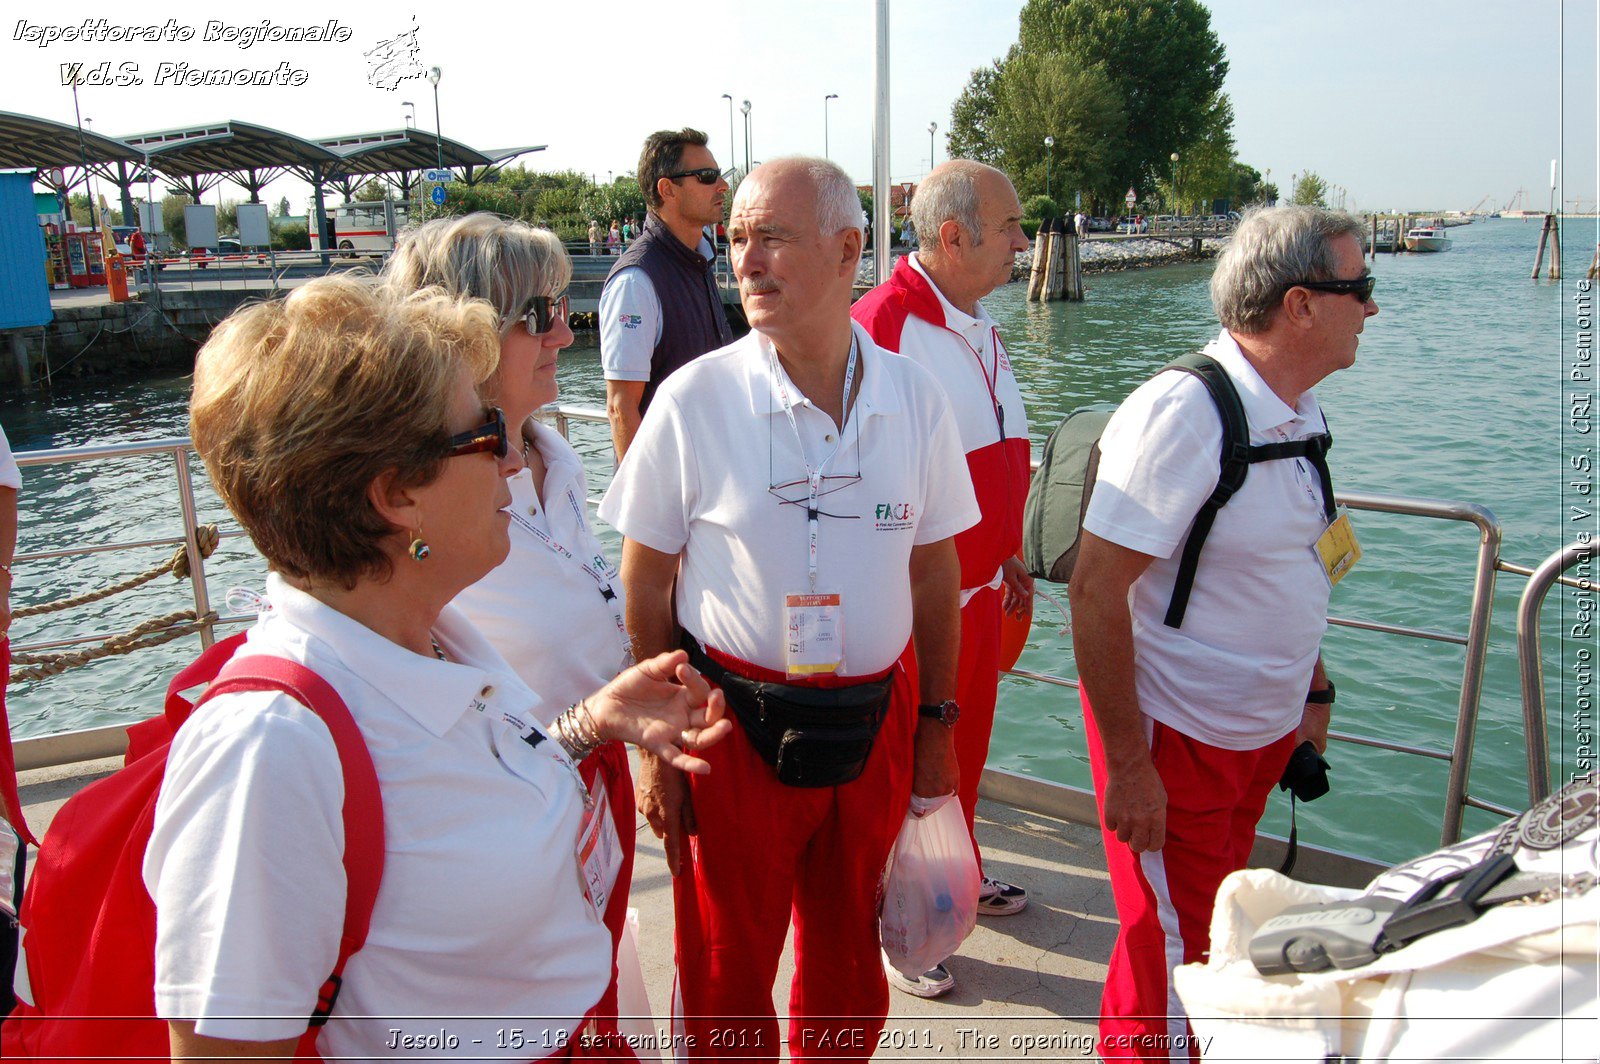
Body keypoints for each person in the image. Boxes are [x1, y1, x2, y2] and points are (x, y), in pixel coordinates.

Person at [148, 276, 730, 1058]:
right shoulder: (269, 750)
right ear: (397, 496)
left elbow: (436, 812)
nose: (512, 464)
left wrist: (590, 723)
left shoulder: (433, 641)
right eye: (487, 433)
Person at [599, 157, 978, 1059]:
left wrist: (936, 727)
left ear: (849, 249)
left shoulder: (915, 398)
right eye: (737, 238)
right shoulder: (695, 398)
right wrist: (656, 750)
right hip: (728, 729)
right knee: (728, 965)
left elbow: (935, 574)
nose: (746, 258)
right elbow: (644, 580)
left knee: (850, 962)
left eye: (772, 236)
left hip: (875, 722)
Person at [1069, 205, 1375, 1062]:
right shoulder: (1185, 414)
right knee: (1177, 959)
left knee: (1215, 933)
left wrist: (1310, 689)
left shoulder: (1297, 410)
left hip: (1257, 735)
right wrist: (1130, 767)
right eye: (1362, 288)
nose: (1374, 309)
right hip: (1178, 737)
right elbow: (1095, 594)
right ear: (1302, 304)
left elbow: (1298, 559)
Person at [381, 213, 640, 1032]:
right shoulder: (421, 509)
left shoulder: (555, 460)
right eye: (540, 315)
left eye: (566, 306)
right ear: (462, 329)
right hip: (508, 806)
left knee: (591, 987)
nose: (566, 331)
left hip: (595, 771)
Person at [851, 159, 1034, 998]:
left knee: (963, 752)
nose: (1023, 244)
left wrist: (1012, 555)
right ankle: (902, 928)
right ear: (953, 235)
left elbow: (996, 453)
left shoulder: (981, 323)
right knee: (906, 767)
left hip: (984, 591)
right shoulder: (880, 325)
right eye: (1009, 229)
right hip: (919, 604)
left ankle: (954, 879)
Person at [599, 128, 732, 461]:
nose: (723, 186)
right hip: (671, 497)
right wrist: (645, 507)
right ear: (667, 189)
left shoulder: (698, 262)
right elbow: (620, 407)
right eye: (707, 176)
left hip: (708, 481)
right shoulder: (636, 280)